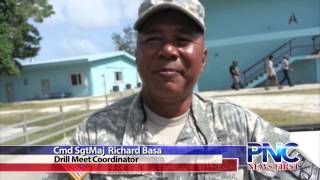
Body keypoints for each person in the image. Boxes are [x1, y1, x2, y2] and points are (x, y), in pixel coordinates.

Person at [46, 0, 319, 179]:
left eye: (182, 39)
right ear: (137, 54)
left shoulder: (243, 130)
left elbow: (306, 173)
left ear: (203, 58)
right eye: (153, 39)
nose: (167, 50)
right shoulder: (93, 136)